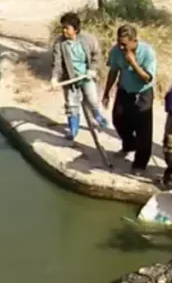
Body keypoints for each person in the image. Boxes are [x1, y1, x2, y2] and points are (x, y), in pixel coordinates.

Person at [102, 24, 157, 176]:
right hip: (124, 91)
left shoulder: (147, 52)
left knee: (143, 131)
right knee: (118, 120)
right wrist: (106, 92)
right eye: (119, 42)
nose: (121, 47)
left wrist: (133, 63)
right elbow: (113, 72)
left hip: (143, 93)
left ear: (134, 41)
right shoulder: (116, 51)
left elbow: (147, 78)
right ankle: (129, 144)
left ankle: (140, 163)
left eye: (124, 44)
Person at [50, 12, 109, 144]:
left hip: (87, 76)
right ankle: (73, 130)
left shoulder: (89, 39)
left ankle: (98, 117)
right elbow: (57, 63)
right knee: (72, 105)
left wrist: (92, 70)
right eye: (63, 28)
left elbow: (97, 56)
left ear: (75, 29)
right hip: (70, 79)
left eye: (67, 28)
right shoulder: (59, 43)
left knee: (92, 100)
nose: (64, 30)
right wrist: (54, 78)